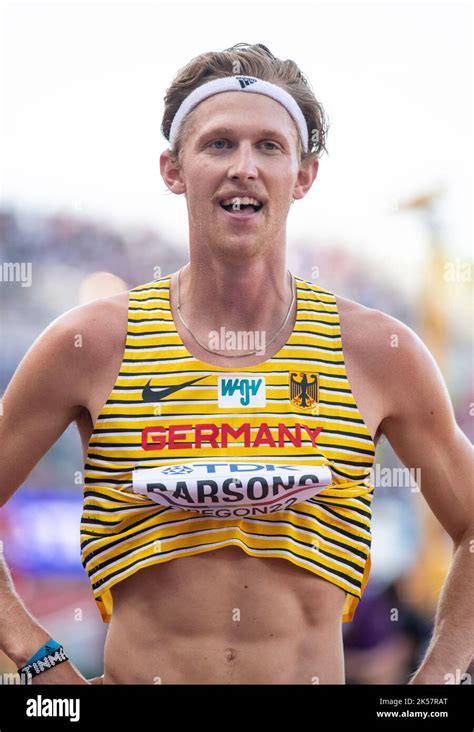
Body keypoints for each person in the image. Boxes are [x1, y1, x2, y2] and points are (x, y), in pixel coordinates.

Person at [0, 42, 473, 685]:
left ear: (302, 176)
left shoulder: (375, 352)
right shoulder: (90, 343)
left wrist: (435, 688)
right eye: (219, 144)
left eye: (269, 147)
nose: (244, 168)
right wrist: (41, 660)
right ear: (173, 169)